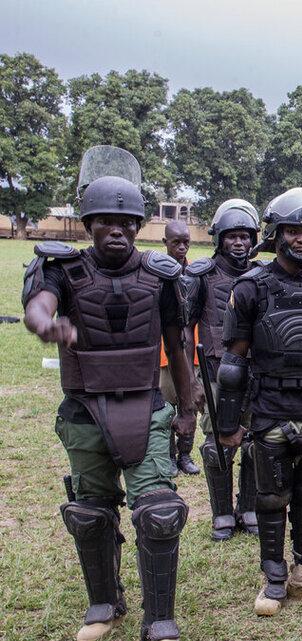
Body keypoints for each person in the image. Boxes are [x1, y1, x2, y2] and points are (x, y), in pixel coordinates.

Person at [22, 158, 196, 641]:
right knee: (91, 514)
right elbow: (38, 305)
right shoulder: (63, 270)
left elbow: (177, 344)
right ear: (88, 224)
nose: (116, 231)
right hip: (85, 410)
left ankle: (159, 618)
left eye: (126, 223)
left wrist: (187, 409)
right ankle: (104, 603)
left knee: (160, 513)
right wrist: (44, 323)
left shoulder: (160, 275)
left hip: (146, 406)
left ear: (138, 227)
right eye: (105, 222)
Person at [219, 187, 302, 615]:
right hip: (271, 411)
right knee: (272, 497)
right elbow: (234, 362)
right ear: (275, 234)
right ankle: (274, 575)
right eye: (294, 230)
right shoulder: (251, 288)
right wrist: (228, 423)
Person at [183, 199, 261, 541]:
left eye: (245, 237)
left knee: (255, 441)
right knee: (218, 444)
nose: (239, 243)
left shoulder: (262, 275)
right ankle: (222, 513)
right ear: (220, 239)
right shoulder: (201, 275)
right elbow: (185, 329)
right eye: (232, 237)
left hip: (255, 373)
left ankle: (249, 507)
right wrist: (191, 379)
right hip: (215, 372)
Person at [158, 220, 201, 475]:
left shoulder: (195, 274)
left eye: (186, 242)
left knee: (190, 406)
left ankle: (185, 454)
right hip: (165, 356)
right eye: (176, 242)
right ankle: (170, 456)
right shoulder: (156, 273)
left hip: (191, 354)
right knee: (166, 409)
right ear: (165, 242)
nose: (182, 247)